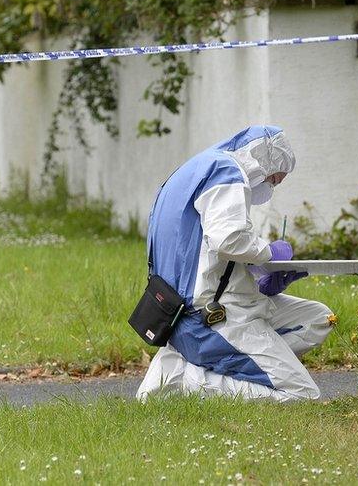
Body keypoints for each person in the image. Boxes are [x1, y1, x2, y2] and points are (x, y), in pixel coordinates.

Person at [136, 125, 335, 401]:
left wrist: (256, 275)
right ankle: (185, 379)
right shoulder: (226, 170)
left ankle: (234, 365)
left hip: (183, 313)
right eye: (275, 177)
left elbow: (199, 252)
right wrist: (269, 254)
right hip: (212, 319)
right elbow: (228, 239)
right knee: (302, 394)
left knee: (320, 319)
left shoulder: (192, 172)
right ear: (263, 159)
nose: (274, 184)